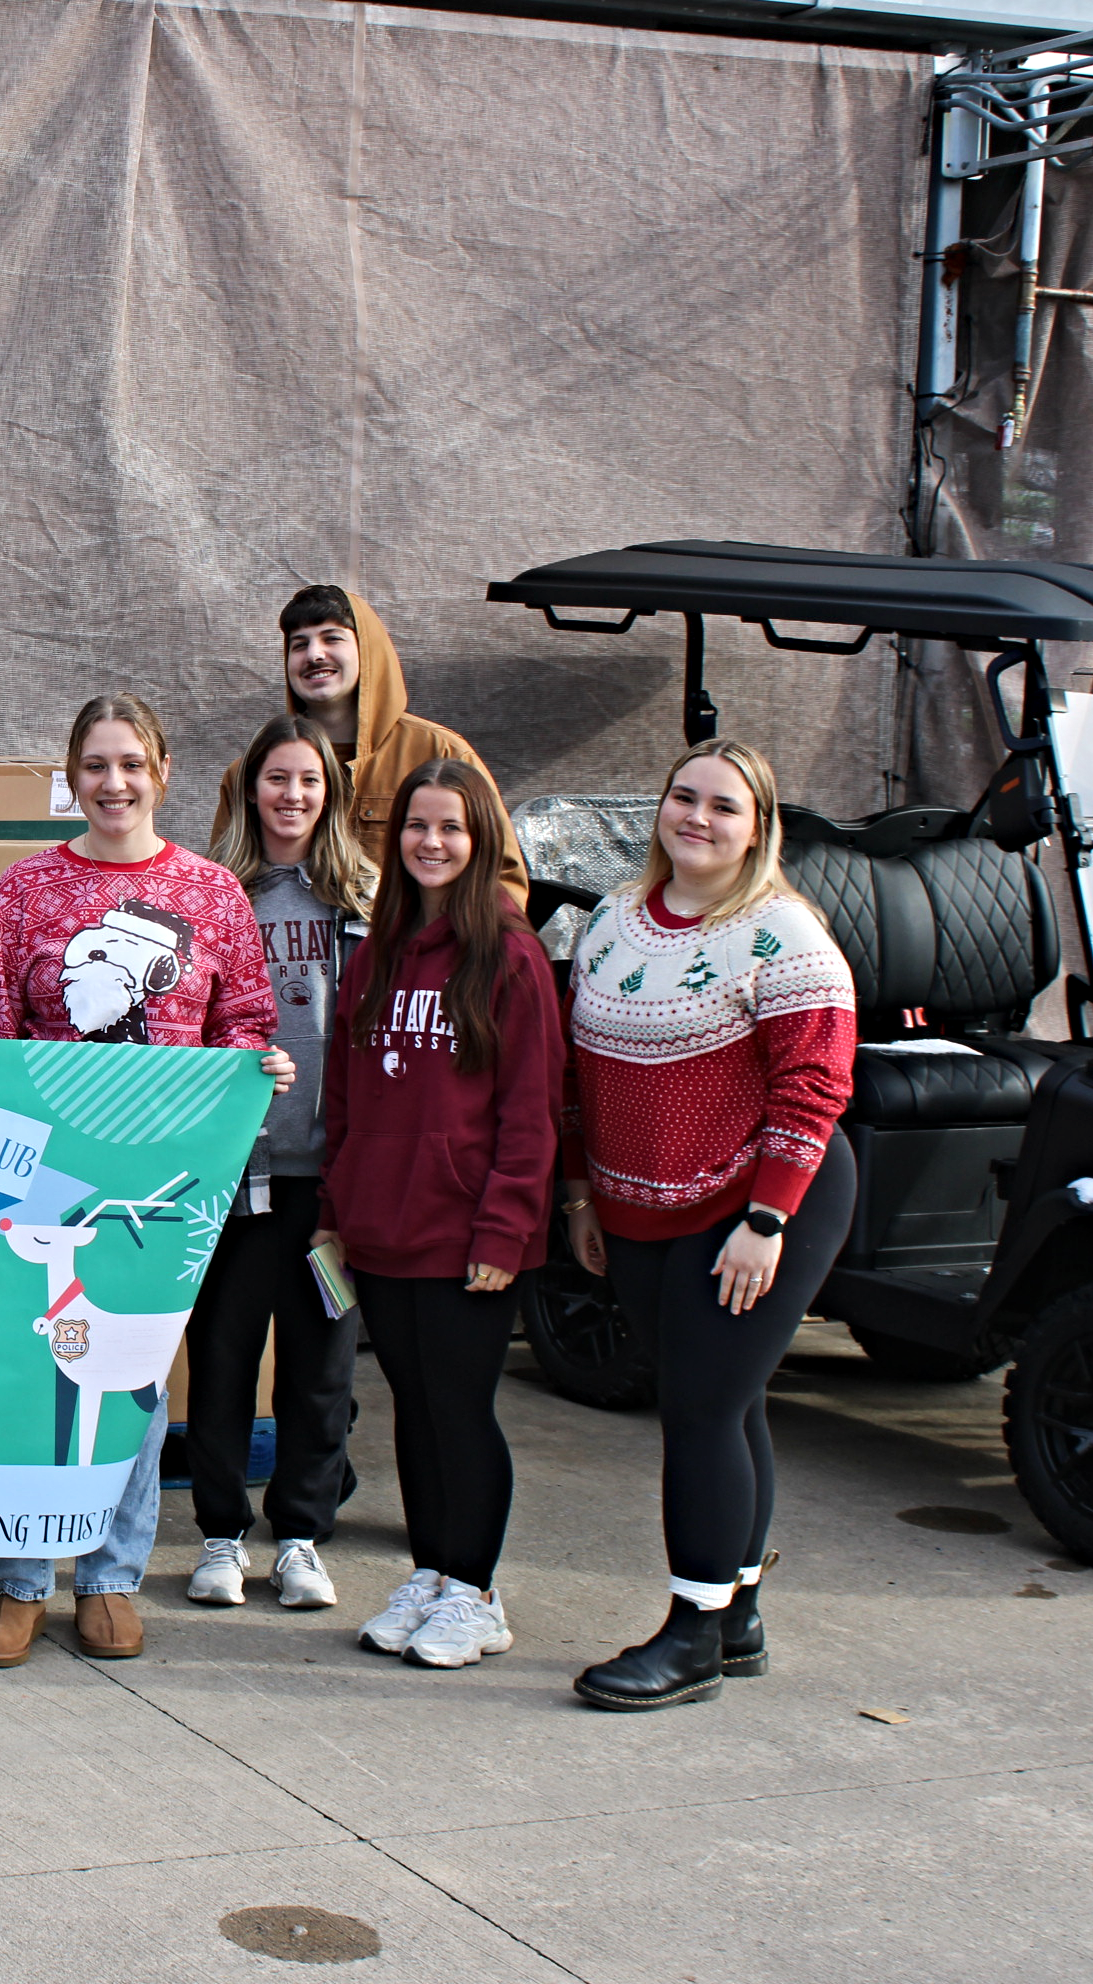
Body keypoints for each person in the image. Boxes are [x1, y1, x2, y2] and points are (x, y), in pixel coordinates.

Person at [0, 695, 290, 1669]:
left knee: (134, 1381)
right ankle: (17, 1578)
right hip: (49, 1176)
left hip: (159, 1182)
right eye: (96, 765)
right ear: (73, 775)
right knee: (32, 1370)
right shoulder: (24, 890)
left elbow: (244, 1021)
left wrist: (254, 1068)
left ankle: (109, 1572)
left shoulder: (211, 893)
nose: (115, 783)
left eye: (132, 764)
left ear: (164, 770)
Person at [561, 740, 855, 1711]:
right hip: (640, 1204)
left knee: (697, 1409)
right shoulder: (610, 920)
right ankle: (737, 1613)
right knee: (729, 1405)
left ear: (758, 827)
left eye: (723, 806)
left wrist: (767, 1219)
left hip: (759, 1201)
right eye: (682, 797)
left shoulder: (785, 935)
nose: (697, 817)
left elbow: (812, 1087)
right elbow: (583, 1076)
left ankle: (690, 1636)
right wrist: (582, 1197)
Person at [315, 761, 561, 1673]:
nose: (431, 842)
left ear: (482, 840)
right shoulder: (376, 954)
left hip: (468, 1239)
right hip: (381, 1228)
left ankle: (477, 1592)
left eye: (451, 828)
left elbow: (530, 1111)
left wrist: (504, 1233)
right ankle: (431, 1571)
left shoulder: (511, 956)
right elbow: (345, 1097)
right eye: (417, 826)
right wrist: (336, 1213)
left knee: (460, 1411)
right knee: (412, 1411)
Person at [183, 714, 374, 1615]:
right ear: (248, 787)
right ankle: (221, 1535)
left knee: (322, 1363)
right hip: (237, 1180)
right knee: (222, 1356)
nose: (292, 795)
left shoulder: (367, 898)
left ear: (329, 792)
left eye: (309, 780)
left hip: (331, 1188)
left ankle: (299, 1536)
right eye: (276, 779)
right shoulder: (213, 896)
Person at [278, 585, 528, 901]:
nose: (314, 654)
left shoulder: (442, 753)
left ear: (367, 651)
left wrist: (451, 946)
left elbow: (503, 879)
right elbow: (225, 882)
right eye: (299, 644)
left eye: (332, 638)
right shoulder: (260, 767)